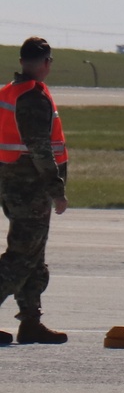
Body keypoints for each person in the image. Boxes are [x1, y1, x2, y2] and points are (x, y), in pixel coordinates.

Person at [0, 37, 68, 344]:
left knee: (33, 258)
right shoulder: (32, 98)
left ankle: (30, 322)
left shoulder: (9, 92)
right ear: (45, 62)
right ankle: (29, 320)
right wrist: (56, 189)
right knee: (21, 259)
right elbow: (40, 149)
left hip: (14, 185)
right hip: (30, 188)